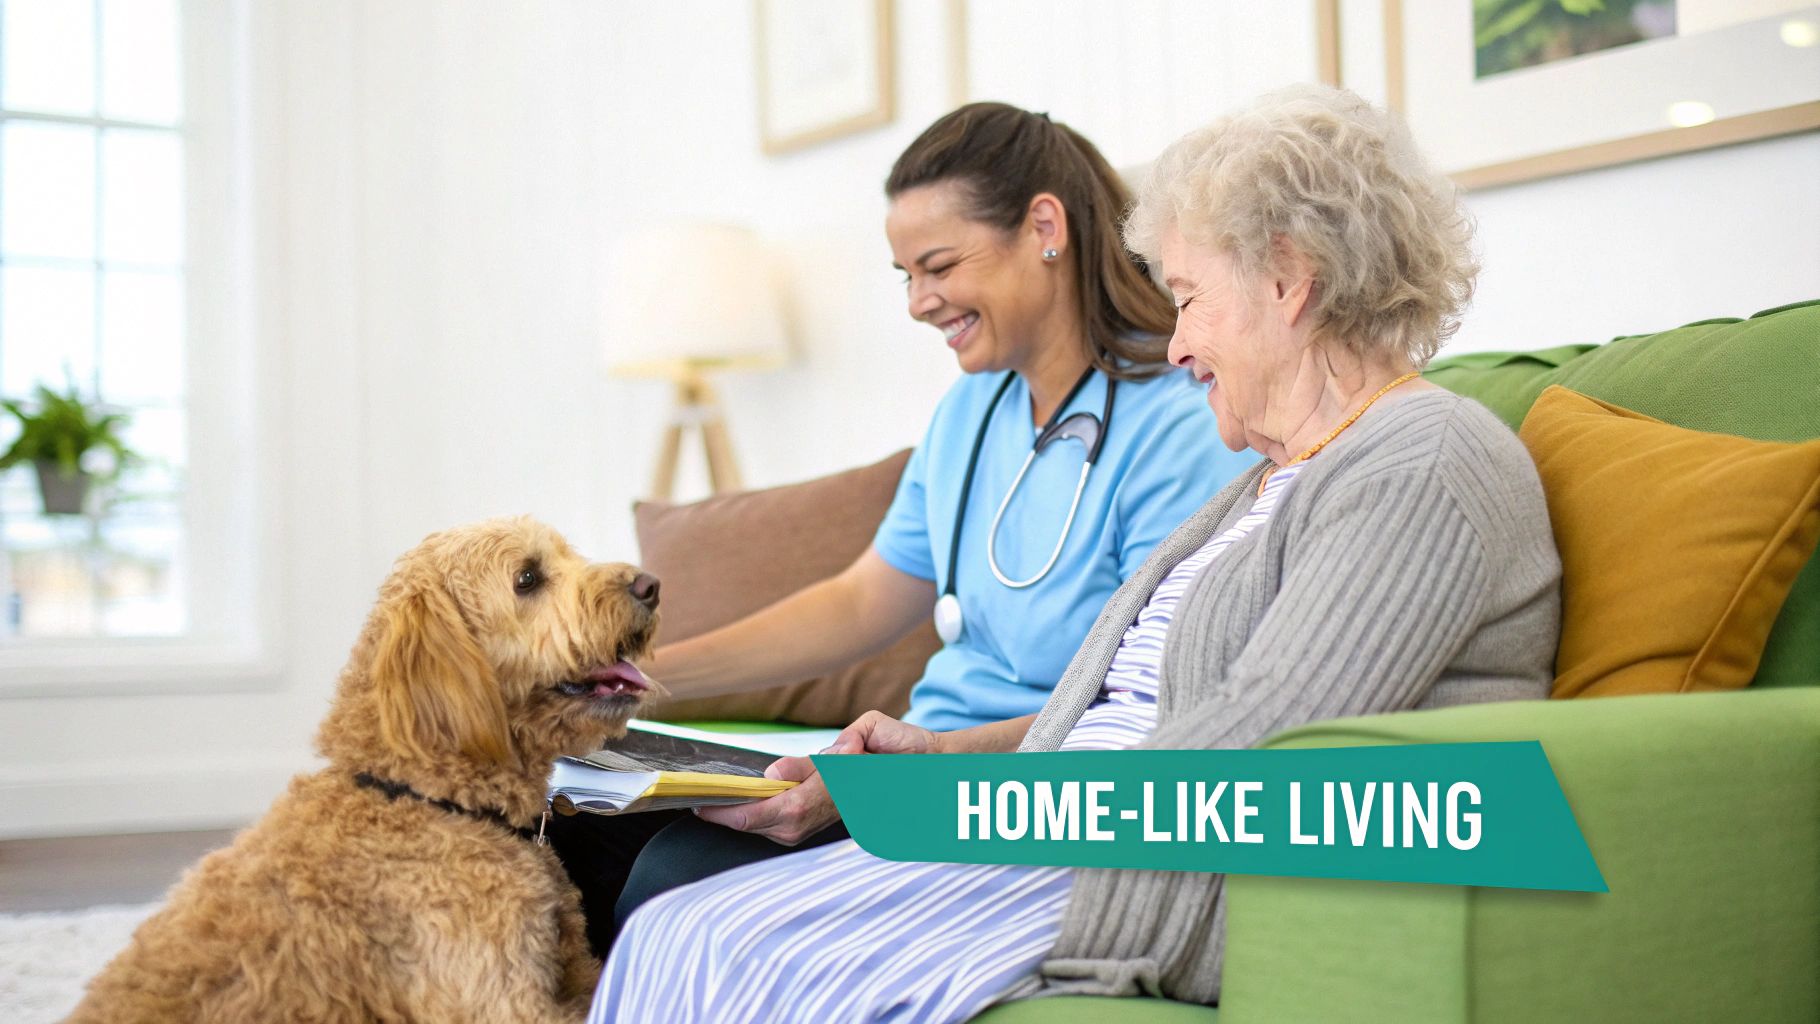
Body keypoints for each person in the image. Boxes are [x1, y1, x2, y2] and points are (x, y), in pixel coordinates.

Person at [588, 84, 1563, 1023]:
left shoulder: (1423, 460)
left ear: (1285, 277)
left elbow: (1246, 752)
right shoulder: (1262, 482)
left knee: (713, 939)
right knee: (679, 928)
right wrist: (932, 761)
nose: (1175, 345)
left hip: (1126, 872)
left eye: (1186, 297)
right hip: (1064, 834)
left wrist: (939, 805)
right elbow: (1114, 716)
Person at [547, 102, 1253, 954]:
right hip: (910, 766)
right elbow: (858, 604)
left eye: (939, 265)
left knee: (672, 878)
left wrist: (906, 774)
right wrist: (632, 684)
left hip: (1010, 792)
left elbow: (1139, 710)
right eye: (904, 274)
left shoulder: (1183, 424)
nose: (919, 302)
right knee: (560, 836)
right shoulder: (972, 409)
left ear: (1043, 228)